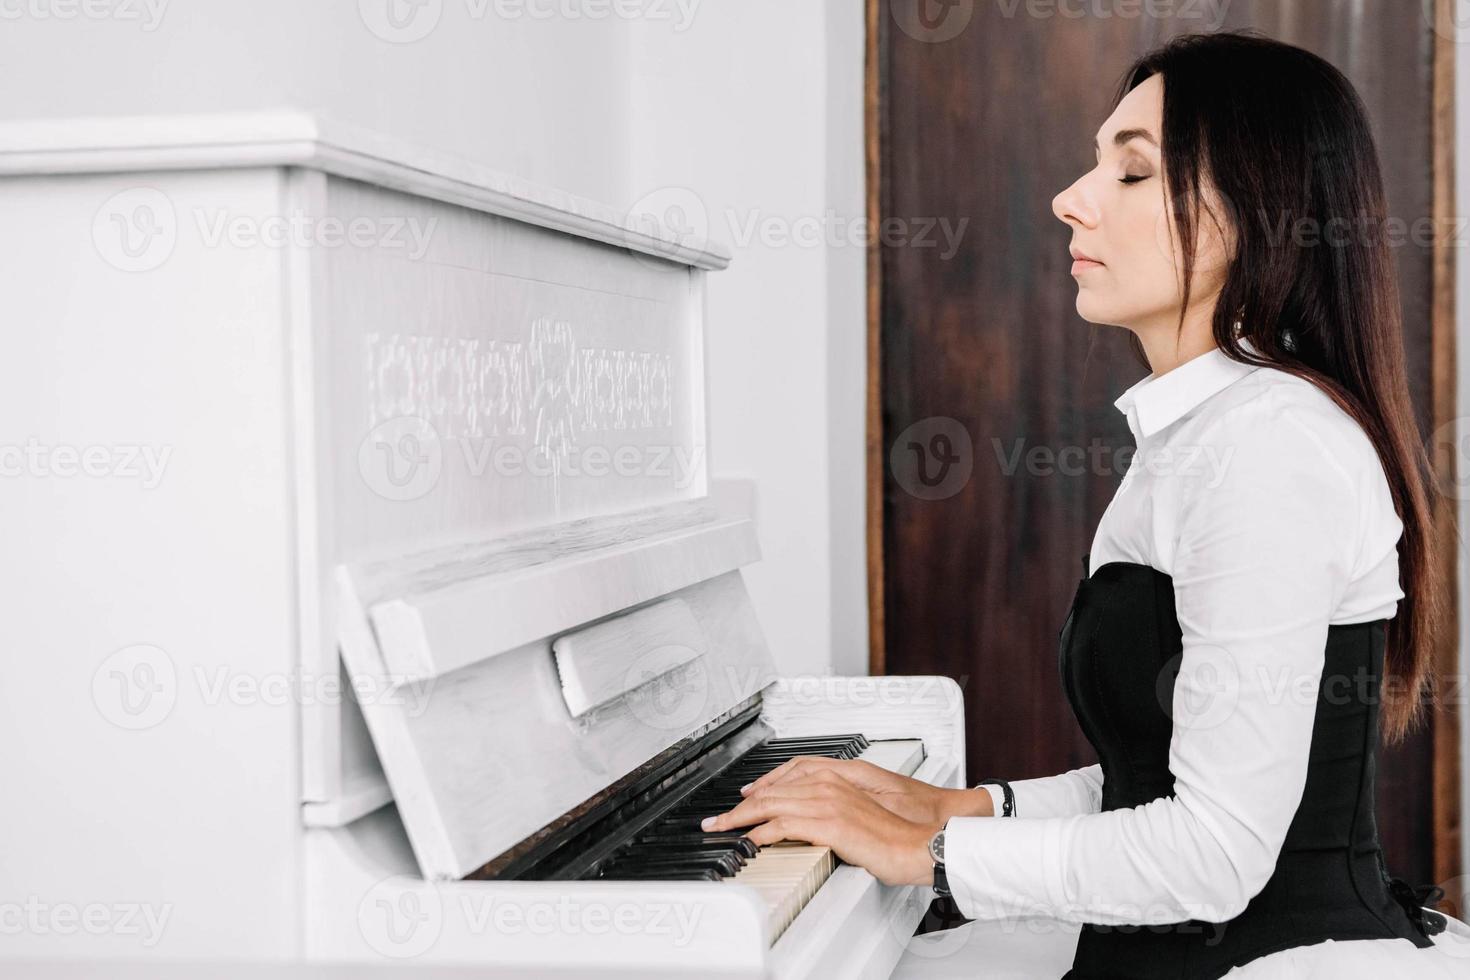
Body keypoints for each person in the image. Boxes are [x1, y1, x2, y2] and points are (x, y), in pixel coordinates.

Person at [701, 30, 1470, 978]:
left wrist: (928, 856)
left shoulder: (1271, 445)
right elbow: (1167, 765)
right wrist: (964, 809)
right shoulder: (1205, 433)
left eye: (1132, 173)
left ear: (1251, 214)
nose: (1072, 200)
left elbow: (1215, 852)